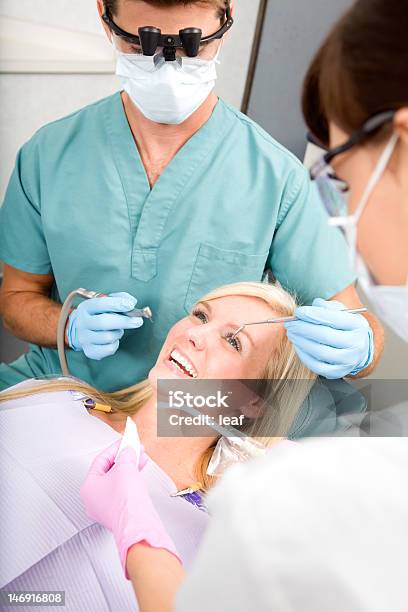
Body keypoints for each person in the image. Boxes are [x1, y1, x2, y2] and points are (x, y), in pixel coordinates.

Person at [80, 1, 408, 610]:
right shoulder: (42, 409)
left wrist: (143, 531)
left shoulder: (268, 505)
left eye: (339, 170)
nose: (339, 203)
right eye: (201, 315)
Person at [0, 0, 383, 393]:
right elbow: (15, 297)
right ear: (104, 16)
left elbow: (357, 319)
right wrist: (69, 327)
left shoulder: (275, 178)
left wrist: (360, 349)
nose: (169, 68)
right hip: (60, 386)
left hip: (190, 410)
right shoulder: (48, 156)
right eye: (142, 45)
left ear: (227, 17)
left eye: (192, 46)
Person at [0, 281, 315, 611]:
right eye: (200, 315)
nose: (196, 334)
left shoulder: (219, 536)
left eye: (233, 341)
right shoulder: (52, 397)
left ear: (253, 402)